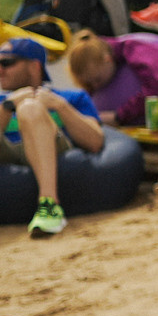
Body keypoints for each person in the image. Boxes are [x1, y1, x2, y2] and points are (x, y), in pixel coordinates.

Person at [0, 36, 105, 238]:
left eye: (7, 63)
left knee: (30, 108)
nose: (0, 70)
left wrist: (59, 106)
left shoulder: (72, 97)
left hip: (54, 149)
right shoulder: (3, 101)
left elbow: (95, 141)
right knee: (26, 105)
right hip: (9, 152)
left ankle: (49, 205)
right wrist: (8, 107)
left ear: (34, 66)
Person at [65, 29, 158, 127]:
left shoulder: (135, 49)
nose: (96, 87)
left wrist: (119, 116)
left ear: (107, 60)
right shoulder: (106, 61)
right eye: (90, 84)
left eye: (97, 79)